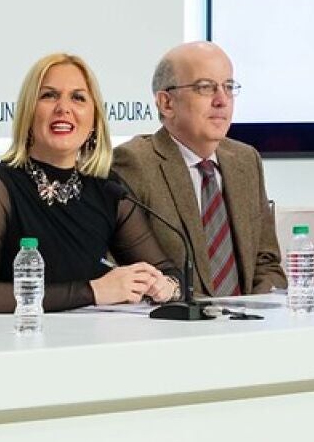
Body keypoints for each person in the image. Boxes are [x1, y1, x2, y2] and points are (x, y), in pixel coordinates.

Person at [0, 52, 179, 314]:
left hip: (94, 337)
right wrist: (93, 291)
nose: (63, 108)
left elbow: (172, 273)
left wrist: (167, 286)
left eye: (78, 98)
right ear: (28, 112)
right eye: (49, 95)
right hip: (23, 336)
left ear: (94, 119)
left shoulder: (107, 189)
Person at [112, 41, 285, 297]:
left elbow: (267, 264)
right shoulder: (134, 163)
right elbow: (129, 274)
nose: (222, 100)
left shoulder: (245, 160)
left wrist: (257, 310)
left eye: (228, 87)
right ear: (166, 103)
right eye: (205, 87)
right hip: (175, 320)